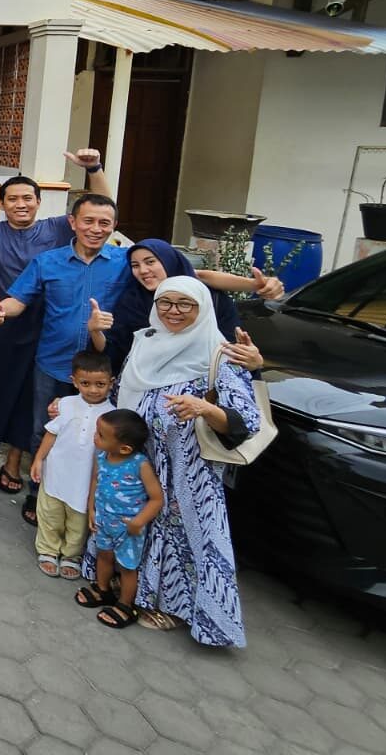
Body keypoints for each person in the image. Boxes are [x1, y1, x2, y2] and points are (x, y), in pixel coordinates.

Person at [85, 276, 262, 645]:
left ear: (203, 309)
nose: (174, 312)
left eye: (186, 304)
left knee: (182, 537)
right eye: (166, 303)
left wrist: (204, 408)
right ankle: (127, 587)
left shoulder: (219, 352)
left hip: (188, 473)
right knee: (135, 524)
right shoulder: (145, 341)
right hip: (139, 463)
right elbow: (119, 391)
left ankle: (174, 607)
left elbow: (247, 420)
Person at [0, 193, 128, 525]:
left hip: (104, 370)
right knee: (44, 430)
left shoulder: (125, 262)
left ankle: (86, 502)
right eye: (88, 221)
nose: (95, 229)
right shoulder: (47, 262)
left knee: (97, 437)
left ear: (114, 226)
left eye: (104, 223)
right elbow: (17, 301)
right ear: (73, 223)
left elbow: (176, 275)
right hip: (52, 364)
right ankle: (41, 494)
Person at [0, 168, 96, 496]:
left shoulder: (58, 227)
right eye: (13, 199)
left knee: (27, 394)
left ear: (38, 202)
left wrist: (94, 170)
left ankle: (14, 460)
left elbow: (101, 203)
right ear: (2, 205)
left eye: (27, 199)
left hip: (44, 326)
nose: (21, 204)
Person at [94, 239, 279, 371]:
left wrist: (254, 362)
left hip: (201, 400)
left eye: (150, 262)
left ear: (169, 261)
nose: (143, 270)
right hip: (145, 395)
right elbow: (116, 352)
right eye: (135, 265)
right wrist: (94, 331)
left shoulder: (209, 298)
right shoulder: (132, 303)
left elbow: (232, 350)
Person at [29, 350, 114, 579]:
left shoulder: (112, 415)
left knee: (78, 521)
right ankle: (47, 549)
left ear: (111, 383)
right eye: (85, 383)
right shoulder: (65, 404)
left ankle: (71, 555)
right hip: (56, 472)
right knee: (50, 514)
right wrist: (38, 459)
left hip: (85, 480)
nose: (93, 390)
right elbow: (51, 434)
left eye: (100, 384)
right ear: (73, 381)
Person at [76, 409, 164, 629]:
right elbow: (95, 482)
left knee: (127, 567)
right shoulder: (102, 457)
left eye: (101, 436)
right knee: (103, 556)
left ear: (124, 448)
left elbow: (156, 498)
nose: (95, 437)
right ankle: (103, 589)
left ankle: (126, 605)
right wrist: (92, 509)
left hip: (128, 529)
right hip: (103, 521)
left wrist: (138, 522)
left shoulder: (139, 465)